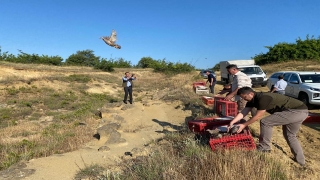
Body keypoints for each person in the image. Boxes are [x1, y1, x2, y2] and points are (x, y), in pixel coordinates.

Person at [227, 87, 308, 166]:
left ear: (251, 94)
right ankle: (301, 161)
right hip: (301, 111)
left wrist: (243, 125)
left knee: (266, 122)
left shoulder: (263, 98)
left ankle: (265, 148)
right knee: (290, 135)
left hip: (296, 111)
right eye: (242, 98)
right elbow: (244, 112)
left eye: (244, 97)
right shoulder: (252, 99)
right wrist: (232, 122)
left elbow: (258, 116)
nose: (244, 99)